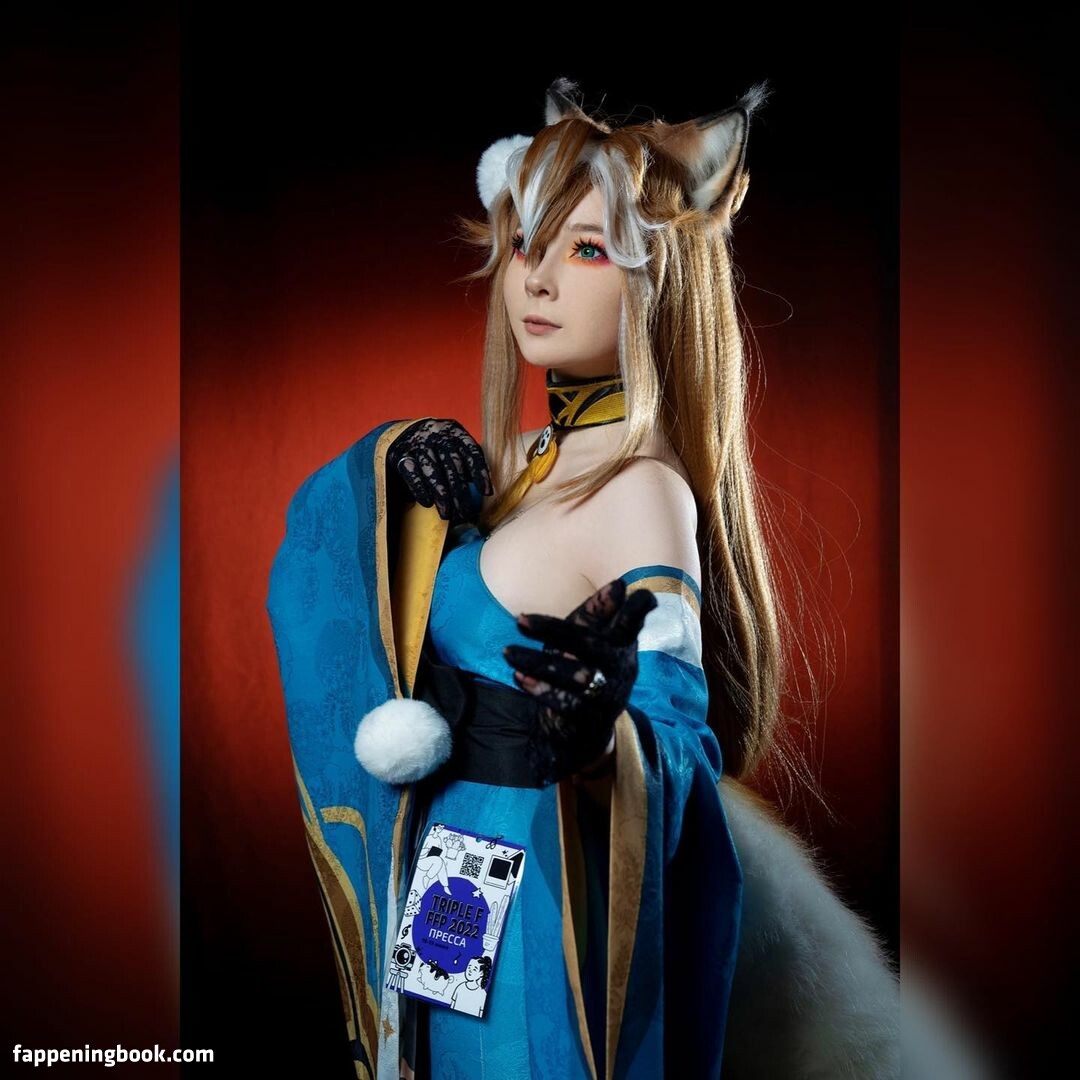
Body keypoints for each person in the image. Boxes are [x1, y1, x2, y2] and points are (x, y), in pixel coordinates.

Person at [266, 77, 900, 1079]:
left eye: (588, 249)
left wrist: (606, 731)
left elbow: (679, 736)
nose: (538, 279)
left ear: (660, 279)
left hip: (547, 887)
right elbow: (333, 579)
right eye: (527, 243)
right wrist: (393, 467)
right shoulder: (508, 461)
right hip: (445, 870)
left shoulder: (645, 490)